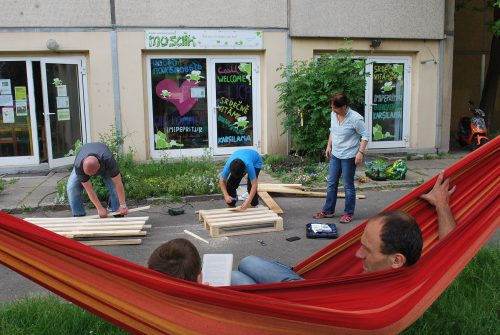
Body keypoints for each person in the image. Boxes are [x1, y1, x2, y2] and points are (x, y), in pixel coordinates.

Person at [231, 172, 456, 285]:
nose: (358, 254)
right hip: (315, 288)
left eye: (367, 249)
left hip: (312, 304)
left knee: (236, 278)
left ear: (397, 260)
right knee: (247, 262)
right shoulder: (421, 272)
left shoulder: (401, 292)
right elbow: (452, 253)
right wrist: (442, 206)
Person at [314, 92, 369, 223]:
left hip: (349, 156)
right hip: (335, 154)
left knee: (348, 185)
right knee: (331, 183)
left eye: (335, 108)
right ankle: (328, 210)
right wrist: (329, 146)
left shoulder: (356, 119)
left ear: (344, 106)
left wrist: (360, 153)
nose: (333, 110)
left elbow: (365, 135)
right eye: (332, 107)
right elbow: (332, 130)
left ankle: (349, 213)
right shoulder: (334, 114)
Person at [67, 142, 128, 218]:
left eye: (92, 174)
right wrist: (99, 208)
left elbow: (118, 183)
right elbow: (90, 190)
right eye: (88, 174)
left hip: (104, 162)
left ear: (99, 166)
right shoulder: (79, 165)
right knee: (72, 187)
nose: (91, 177)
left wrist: (123, 205)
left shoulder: (108, 159)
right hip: (84, 164)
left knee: (114, 186)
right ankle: (78, 216)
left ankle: (118, 212)